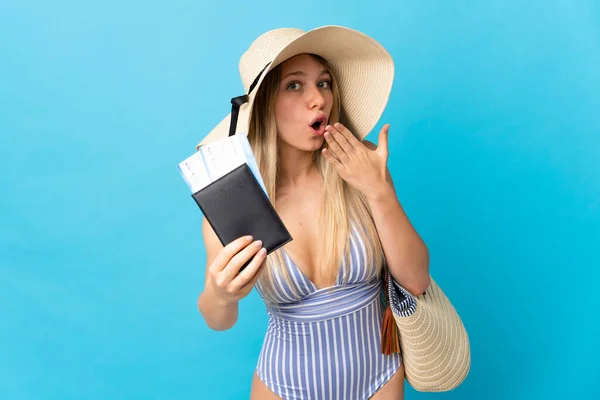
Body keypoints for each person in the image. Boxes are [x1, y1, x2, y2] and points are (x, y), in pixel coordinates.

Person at [196, 25, 430, 400]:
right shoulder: (236, 201)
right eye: (295, 85)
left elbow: (416, 281)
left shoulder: (360, 168)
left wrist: (380, 190)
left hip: (380, 381)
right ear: (265, 104)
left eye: (324, 83)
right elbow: (218, 320)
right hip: (282, 387)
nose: (318, 99)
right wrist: (221, 294)